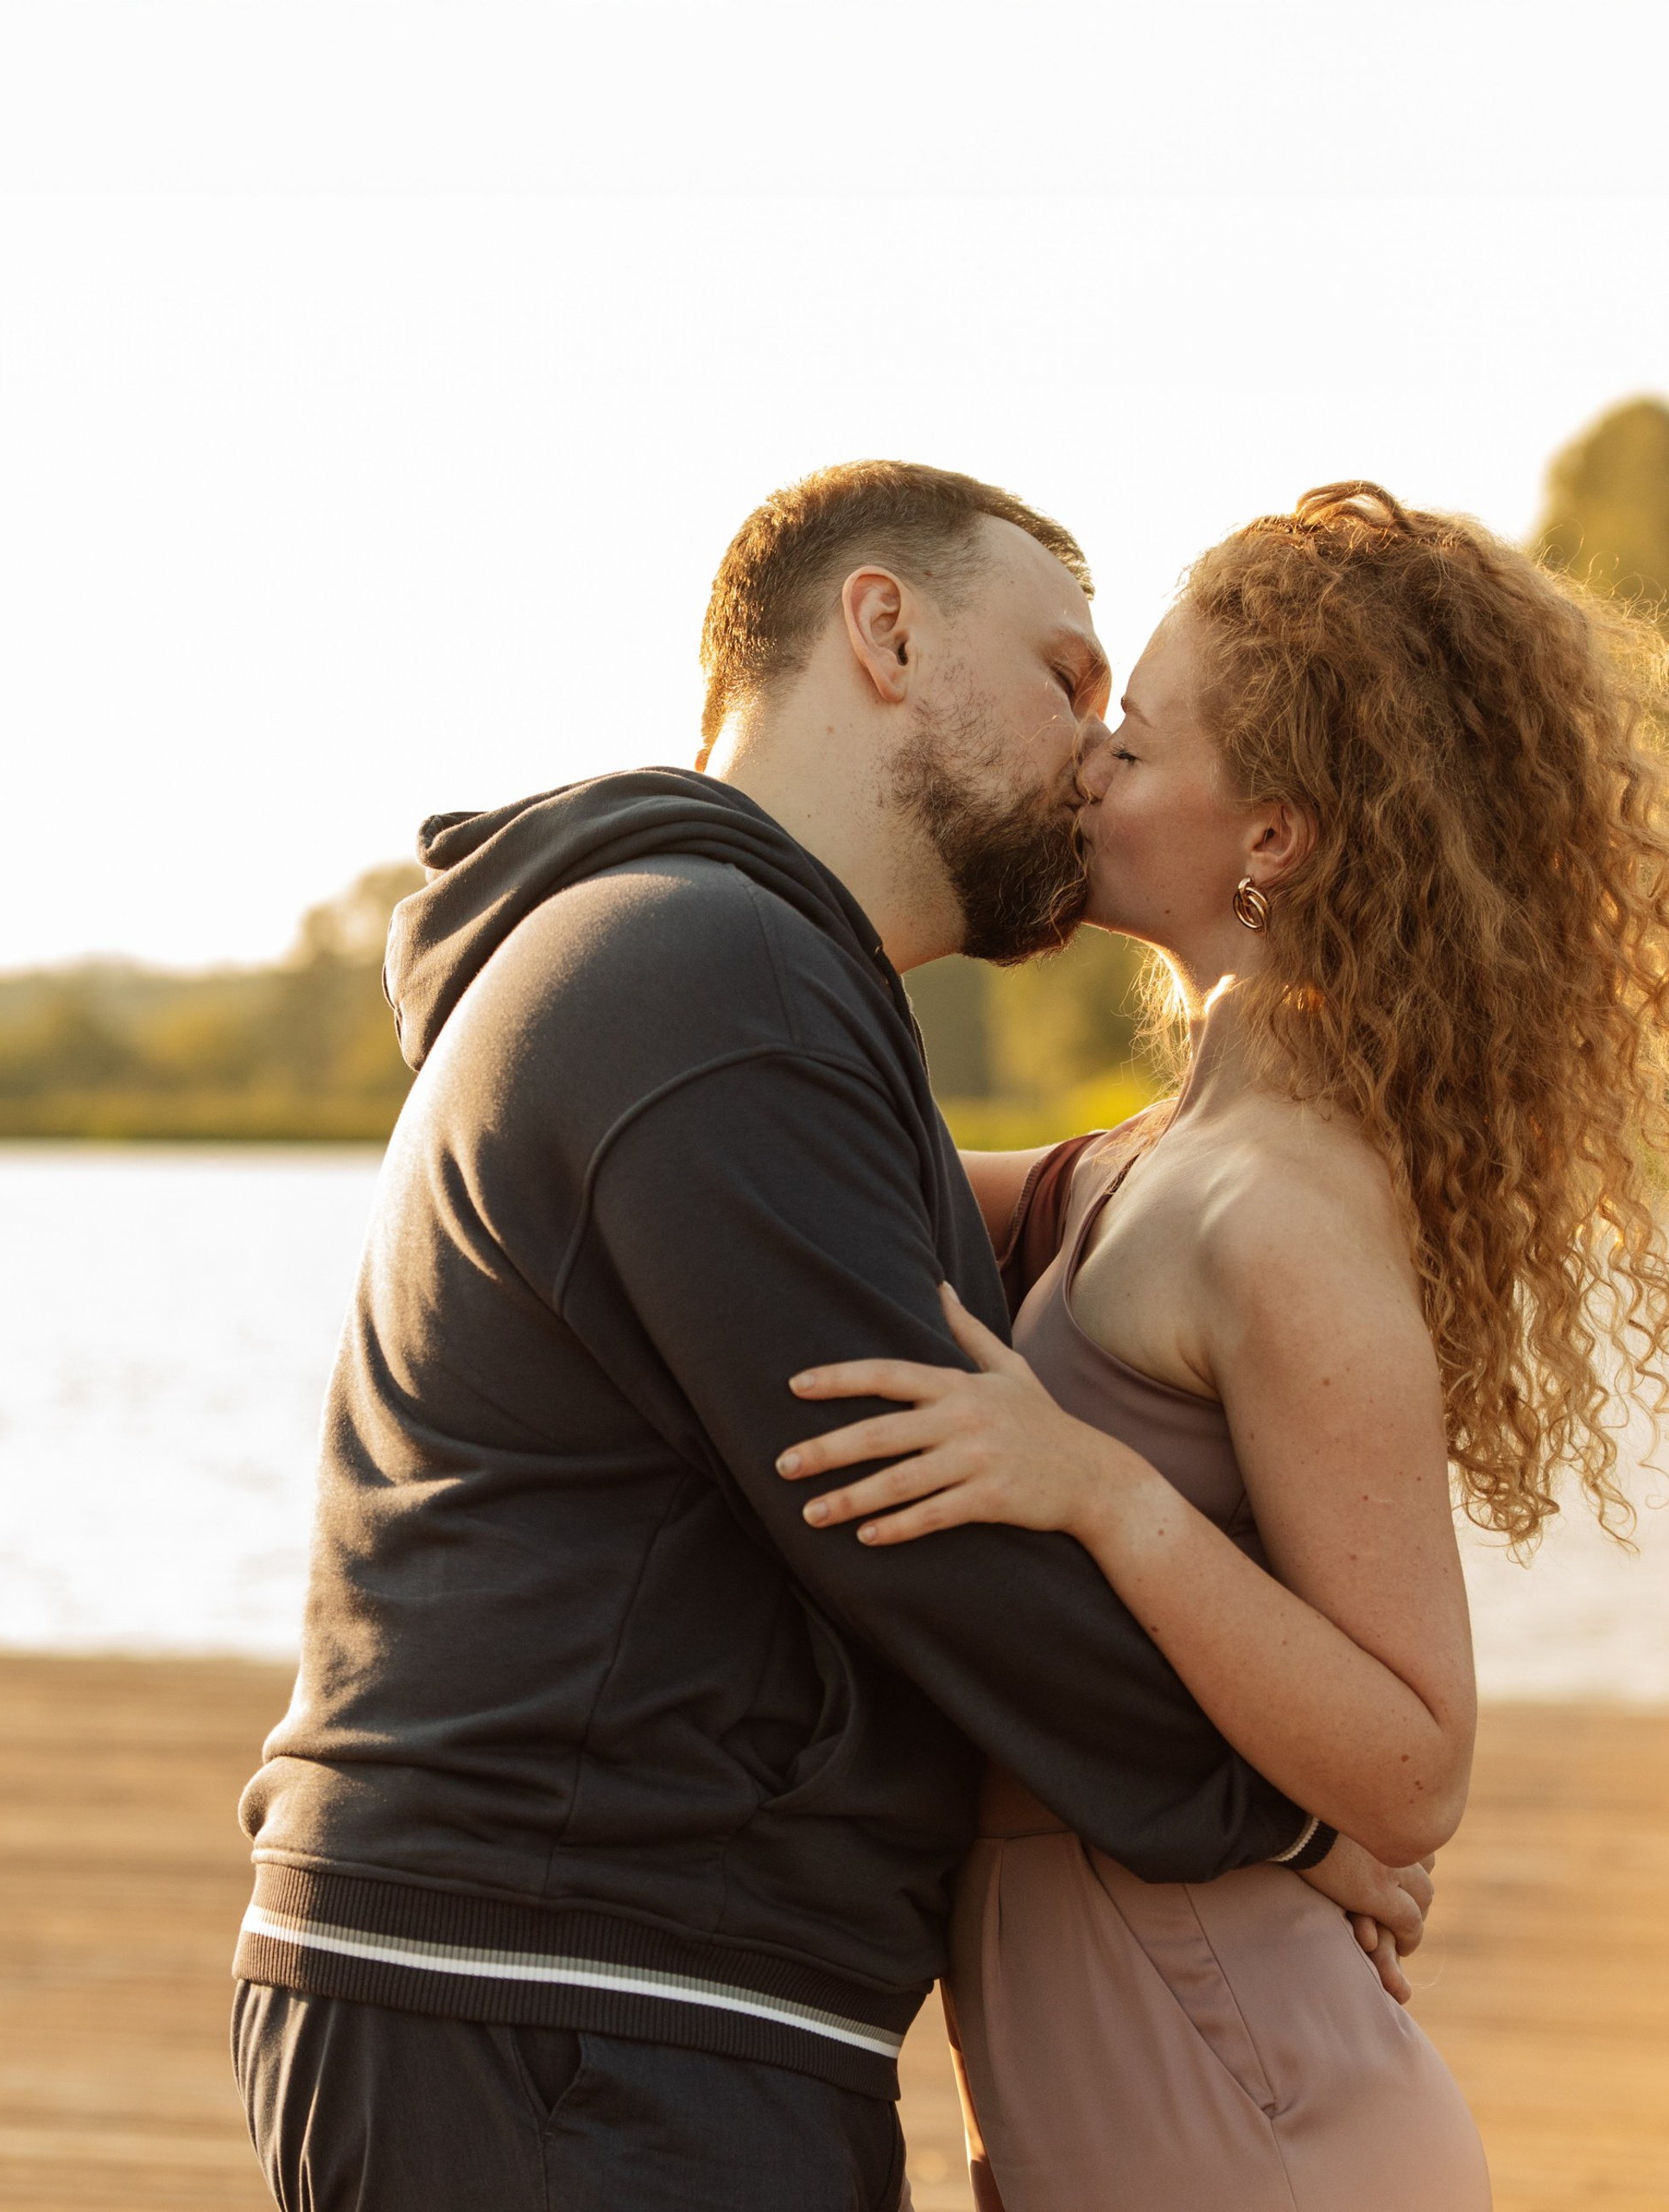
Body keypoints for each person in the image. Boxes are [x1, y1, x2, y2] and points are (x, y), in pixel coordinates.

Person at [232, 462, 1424, 2210]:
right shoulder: (715, 975)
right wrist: (1286, 1810)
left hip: (594, 1993)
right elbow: (919, 1528)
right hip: (573, 1997)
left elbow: (1027, 1270)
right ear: (885, 630)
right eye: (1065, 677)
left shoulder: (721, 973)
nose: (1093, 746)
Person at [781, 483, 1669, 2208]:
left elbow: (1413, 1762)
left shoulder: (1279, 1209)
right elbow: (815, 1158)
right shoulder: (1156, 1157)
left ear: (1272, 835)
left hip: (1236, 2098)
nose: (1083, 764)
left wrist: (1103, 1494)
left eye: (1132, 740)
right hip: (1135, 2061)